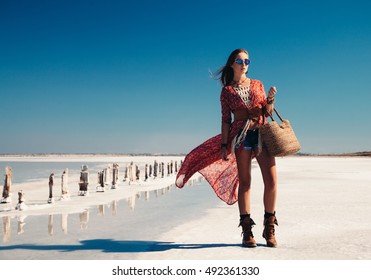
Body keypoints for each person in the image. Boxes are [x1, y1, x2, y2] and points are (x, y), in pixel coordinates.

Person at [176, 48, 278, 248]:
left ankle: (269, 227)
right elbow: (225, 120)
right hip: (241, 137)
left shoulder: (258, 84)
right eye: (240, 61)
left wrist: (271, 100)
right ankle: (247, 230)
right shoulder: (227, 91)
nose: (244, 64)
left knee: (272, 181)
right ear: (232, 64)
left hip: (262, 134)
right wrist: (224, 144)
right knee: (245, 183)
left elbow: (267, 110)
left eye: (247, 61)